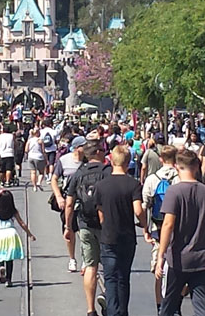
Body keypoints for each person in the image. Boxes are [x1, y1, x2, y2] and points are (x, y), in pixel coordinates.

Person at [155, 149, 205, 316]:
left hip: (178, 258)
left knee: (169, 304)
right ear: (197, 167)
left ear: (177, 167)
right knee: (201, 306)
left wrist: (161, 255)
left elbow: (168, 224)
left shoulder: (174, 191)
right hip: (202, 257)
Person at [94, 144, 148, 316]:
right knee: (123, 277)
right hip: (127, 237)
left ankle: (112, 311)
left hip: (108, 235)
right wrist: (144, 224)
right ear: (128, 162)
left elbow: (100, 213)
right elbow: (138, 210)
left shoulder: (101, 185)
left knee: (110, 278)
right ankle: (123, 312)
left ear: (111, 160)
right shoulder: (133, 185)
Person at [64, 139, 111, 316]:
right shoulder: (107, 172)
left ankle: (90, 309)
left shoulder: (79, 173)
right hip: (105, 224)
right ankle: (107, 295)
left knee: (90, 265)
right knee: (108, 264)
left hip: (84, 223)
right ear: (97, 153)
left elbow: (69, 203)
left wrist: (68, 226)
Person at [142, 144, 180, 314]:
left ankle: (160, 304)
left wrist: (146, 229)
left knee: (158, 266)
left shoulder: (152, 179)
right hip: (179, 229)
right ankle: (176, 300)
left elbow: (145, 205)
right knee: (179, 268)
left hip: (158, 227)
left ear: (161, 159)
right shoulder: (181, 178)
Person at [51, 135, 86, 272]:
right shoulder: (64, 161)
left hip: (84, 201)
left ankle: (85, 259)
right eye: (84, 145)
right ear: (77, 148)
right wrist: (59, 197)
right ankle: (72, 258)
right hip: (67, 201)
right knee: (69, 230)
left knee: (84, 232)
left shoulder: (88, 161)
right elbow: (54, 179)